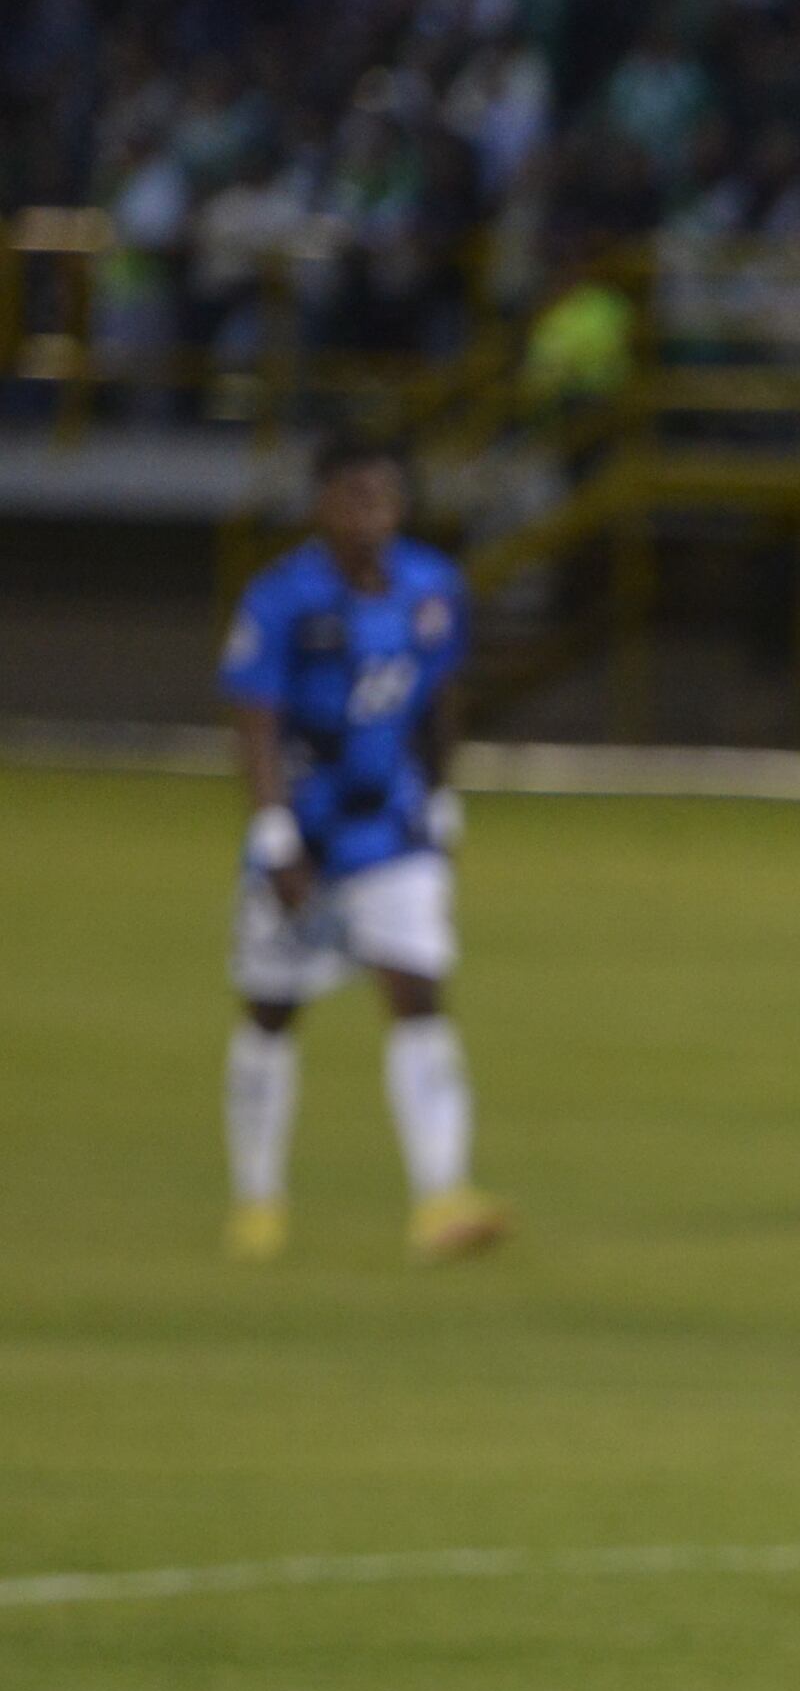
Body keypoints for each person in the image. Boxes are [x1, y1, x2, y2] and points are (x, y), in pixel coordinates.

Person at [218, 432, 503, 1265]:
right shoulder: (282, 597)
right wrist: (273, 835)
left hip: (391, 828)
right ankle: (257, 1201)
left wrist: (441, 800)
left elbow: (440, 699)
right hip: (305, 833)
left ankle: (442, 1196)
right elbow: (256, 720)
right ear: (322, 504)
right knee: (272, 1009)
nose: (368, 516)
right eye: (353, 498)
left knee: (418, 993)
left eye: (381, 499)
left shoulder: (432, 586)